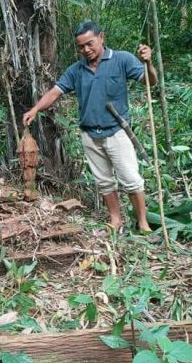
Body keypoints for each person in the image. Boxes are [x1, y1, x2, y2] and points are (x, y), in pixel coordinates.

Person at [22, 20, 158, 234]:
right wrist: (35, 109)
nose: (86, 49)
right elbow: (55, 92)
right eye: (81, 46)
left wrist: (148, 63)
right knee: (104, 182)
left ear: (101, 38)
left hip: (117, 131)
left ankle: (142, 223)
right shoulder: (76, 70)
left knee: (131, 180)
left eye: (90, 44)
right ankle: (115, 220)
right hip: (90, 135)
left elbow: (150, 82)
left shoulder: (122, 59)